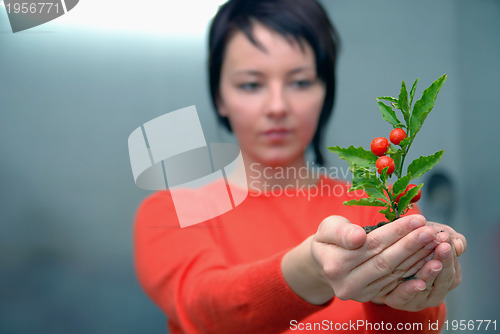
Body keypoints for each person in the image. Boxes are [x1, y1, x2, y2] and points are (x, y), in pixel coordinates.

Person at [134, 0, 467, 333]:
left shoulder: (377, 204)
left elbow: (419, 322)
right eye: (251, 84)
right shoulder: (171, 213)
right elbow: (206, 310)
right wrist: (311, 269)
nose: (277, 106)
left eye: (300, 82)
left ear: (325, 92)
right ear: (220, 97)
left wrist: (413, 290)